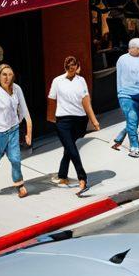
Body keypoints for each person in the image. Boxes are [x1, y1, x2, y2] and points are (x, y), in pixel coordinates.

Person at [48, 57, 100, 195]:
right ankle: (82, 178)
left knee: (69, 149)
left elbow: (86, 101)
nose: (72, 69)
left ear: (77, 66)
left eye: (74, 67)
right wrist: (51, 118)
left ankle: (62, 175)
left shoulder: (81, 80)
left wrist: (93, 120)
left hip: (80, 121)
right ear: (65, 67)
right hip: (63, 121)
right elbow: (52, 99)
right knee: (71, 148)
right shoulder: (57, 81)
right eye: (69, 67)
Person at [0, 64, 31, 197]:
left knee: (15, 159)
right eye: (4, 74)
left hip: (13, 131)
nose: (7, 77)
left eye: (10, 75)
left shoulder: (17, 89)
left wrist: (27, 130)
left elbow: (24, 110)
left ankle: (19, 183)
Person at [111, 39, 139, 157]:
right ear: (133, 48)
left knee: (133, 121)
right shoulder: (122, 59)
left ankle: (119, 138)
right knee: (132, 120)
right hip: (125, 95)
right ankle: (135, 148)